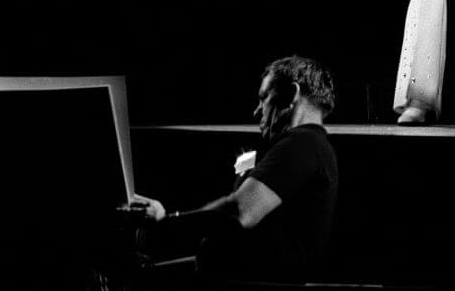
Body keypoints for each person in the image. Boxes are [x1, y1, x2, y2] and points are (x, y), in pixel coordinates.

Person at [128, 56, 338, 283]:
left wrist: (165, 223)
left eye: (264, 98)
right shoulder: (308, 146)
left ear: (290, 94)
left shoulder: (302, 144)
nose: (257, 111)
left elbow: (240, 212)